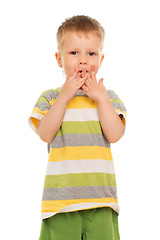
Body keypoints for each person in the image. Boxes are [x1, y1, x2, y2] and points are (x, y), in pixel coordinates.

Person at [29, 15, 127, 240]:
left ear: (100, 59)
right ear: (59, 59)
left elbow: (115, 134)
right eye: (74, 53)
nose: (83, 61)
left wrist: (101, 100)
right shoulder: (51, 97)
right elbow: (45, 134)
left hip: (101, 201)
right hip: (61, 204)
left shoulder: (109, 99)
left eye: (91, 53)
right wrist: (64, 97)